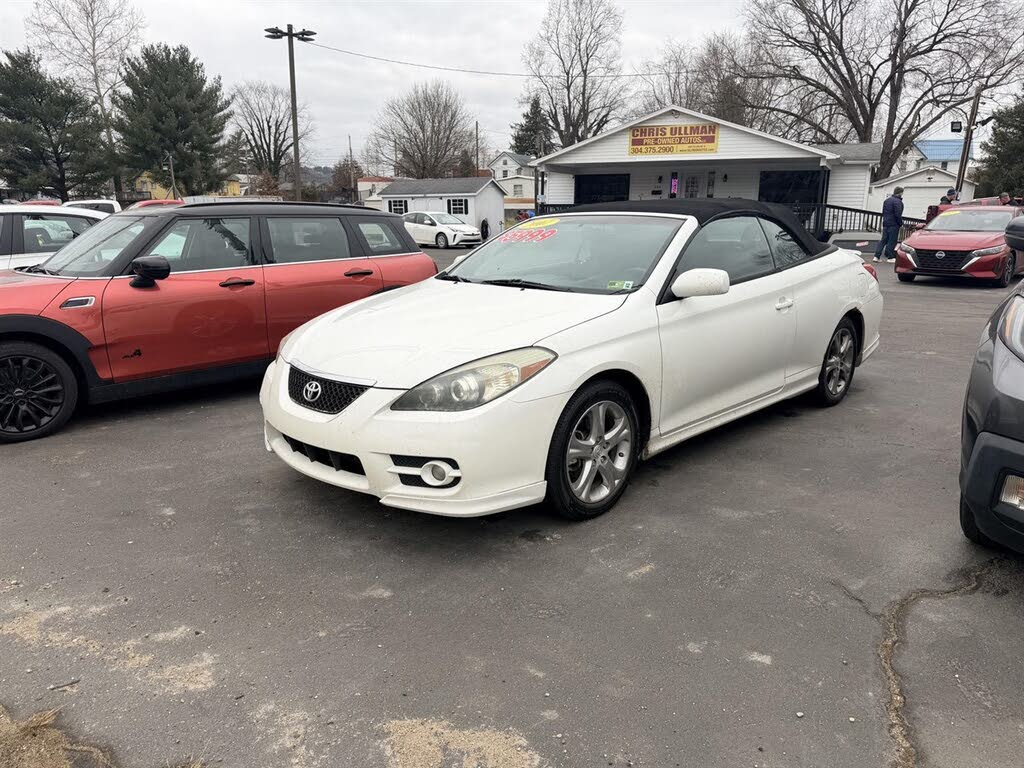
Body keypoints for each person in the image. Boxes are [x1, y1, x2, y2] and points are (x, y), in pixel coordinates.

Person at [874, 186, 904, 264]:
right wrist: (900, 223)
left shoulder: (886, 201)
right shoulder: (898, 202)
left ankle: (876, 256)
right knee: (892, 240)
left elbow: (884, 212)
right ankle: (890, 257)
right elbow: (898, 214)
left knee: (883, 240)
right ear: (900, 193)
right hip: (894, 224)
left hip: (886, 223)